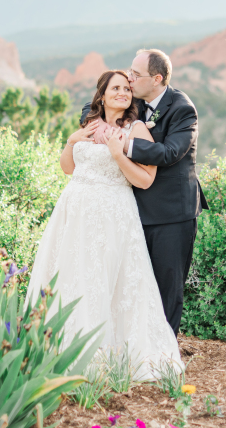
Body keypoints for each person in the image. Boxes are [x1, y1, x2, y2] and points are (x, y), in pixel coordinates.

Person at [26, 70, 182, 378]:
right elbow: (68, 168)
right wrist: (71, 141)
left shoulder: (135, 129)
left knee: (106, 278)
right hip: (75, 210)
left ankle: (103, 355)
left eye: (127, 88)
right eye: (116, 88)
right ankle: (64, 348)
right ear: (103, 94)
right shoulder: (90, 123)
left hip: (113, 212)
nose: (123, 92)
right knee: (74, 275)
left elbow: (146, 179)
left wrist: (118, 154)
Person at [87, 49, 207, 335]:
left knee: (168, 286)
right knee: (135, 283)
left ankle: (165, 354)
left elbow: (169, 153)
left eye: (135, 74)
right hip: (134, 209)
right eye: (129, 72)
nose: (129, 79)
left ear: (157, 79)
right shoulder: (135, 100)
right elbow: (92, 106)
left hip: (171, 213)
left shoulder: (182, 109)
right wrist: (103, 126)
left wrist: (123, 144)